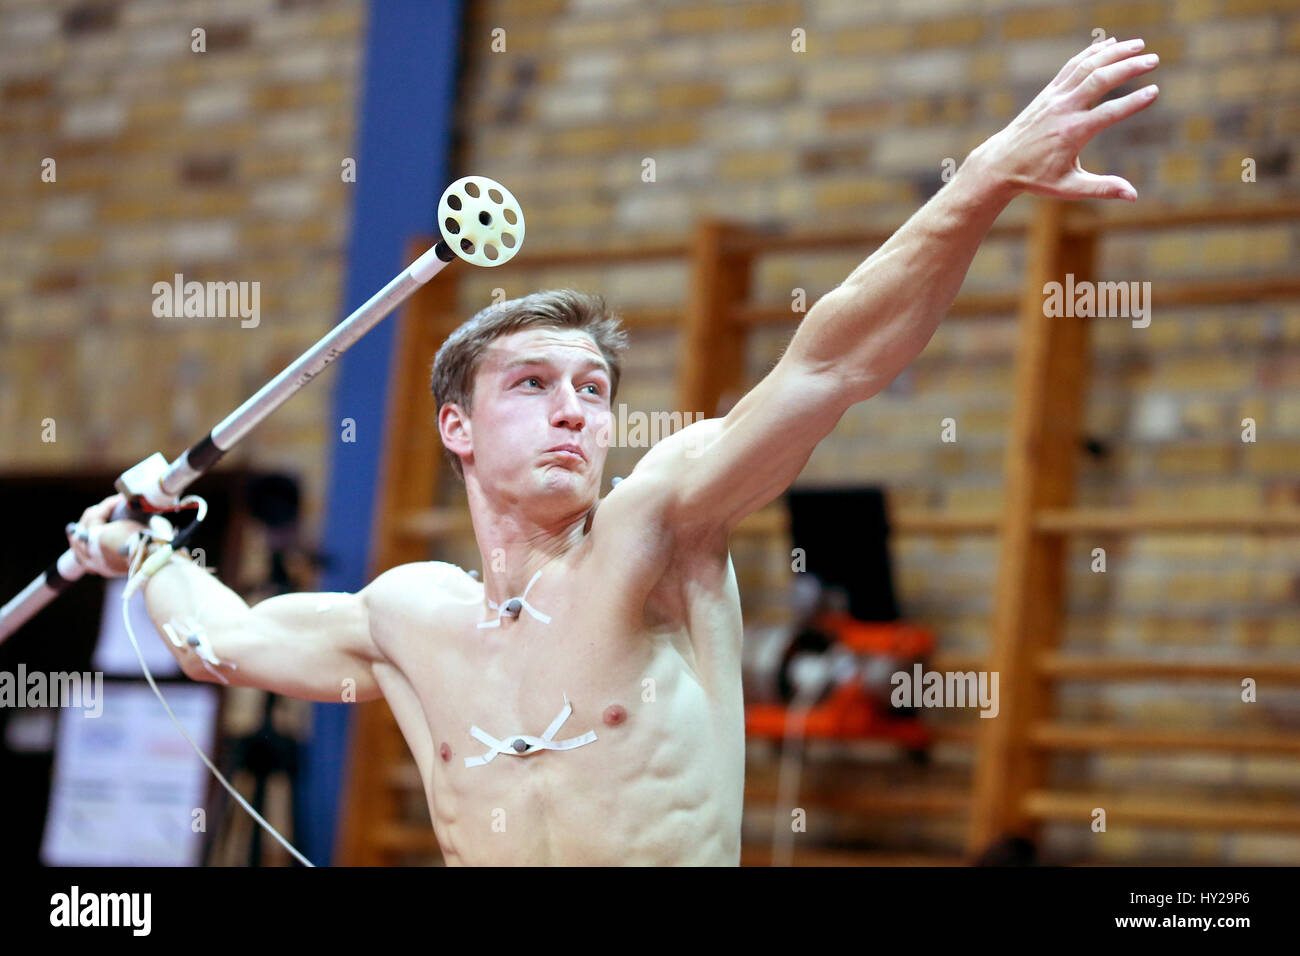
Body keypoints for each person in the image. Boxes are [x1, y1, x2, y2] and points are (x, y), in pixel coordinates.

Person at [68, 37, 1159, 865]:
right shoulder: (407, 617)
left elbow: (830, 364)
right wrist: (145, 552)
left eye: (592, 389)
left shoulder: (658, 530)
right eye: (532, 385)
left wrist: (983, 180)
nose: (575, 412)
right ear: (455, 425)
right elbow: (228, 641)